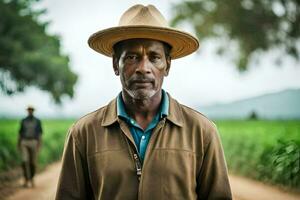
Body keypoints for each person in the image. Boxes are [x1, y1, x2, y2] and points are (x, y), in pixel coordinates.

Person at [56, 4, 232, 200]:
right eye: (132, 57)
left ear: (167, 65)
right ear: (116, 64)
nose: (143, 68)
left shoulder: (202, 131)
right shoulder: (84, 133)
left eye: (154, 57)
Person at [18, 105, 43, 188]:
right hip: (24, 142)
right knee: (25, 161)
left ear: (33, 111)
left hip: (33, 142)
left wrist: (39, 144)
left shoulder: (37, 121)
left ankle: (31, 179)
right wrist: (18, 143)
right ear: (27, 111)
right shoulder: (23, 121)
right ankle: (26, 179)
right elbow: (20, 133)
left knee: (33, 162)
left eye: (31, 110)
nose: (30, 111)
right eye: (29, 110)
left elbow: (40, 134)